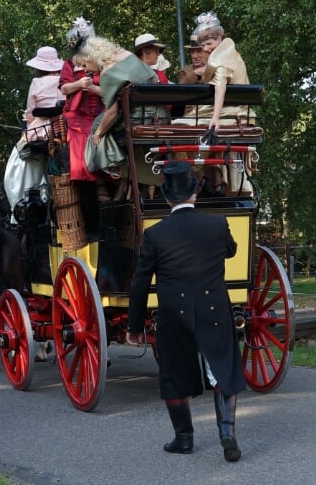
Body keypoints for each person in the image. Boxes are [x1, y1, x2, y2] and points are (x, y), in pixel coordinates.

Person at [126, 161, 246, 462]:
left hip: (174, 313)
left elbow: (140, 282)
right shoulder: (217, 225)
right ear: (194, 194)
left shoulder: (155, 235)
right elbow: (231, 250)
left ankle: (184, 439)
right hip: (214, 308)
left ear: (167, 198)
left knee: (173, 374)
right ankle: (227, 434)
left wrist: (134, 326)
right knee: (222, 369)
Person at [174, 11, 254, 196]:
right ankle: (209, 178)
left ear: (220, 38)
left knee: (176, 127)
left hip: (230, 113)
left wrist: (215, 118)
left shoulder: (220, 59)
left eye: (208, 44)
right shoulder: (231, 53)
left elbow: (220, 88)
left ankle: (192, 179)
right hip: (240, 110)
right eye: (202, 46)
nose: (206, 49)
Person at [80, 36, 170, 200]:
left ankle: (114, 165)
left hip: (140, 120)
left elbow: (112, 112)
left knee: (98, 125)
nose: (85, 68)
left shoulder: (107, 73)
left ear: (92, 57)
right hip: (161, 116)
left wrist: (98, 133)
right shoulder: (127, 55)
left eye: (84, 63)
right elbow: (155, 79)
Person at [4, 45, 66, 219]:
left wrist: (27, 124)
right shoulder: (65, 82)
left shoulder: (36, 83)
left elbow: (31, 112)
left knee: (15, 161)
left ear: (39, 67)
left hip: (40, 130)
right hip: (61, 127)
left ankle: (19, 204)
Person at [59, 17, 104, 230]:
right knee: (80, 139)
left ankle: (105, 181)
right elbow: (64, 89)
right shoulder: (69, 65)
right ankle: (92, 183)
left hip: (101, 114)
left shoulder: (101, 62)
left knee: (105, 132)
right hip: (78, 117)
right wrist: (79, 83)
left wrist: (95, 85)